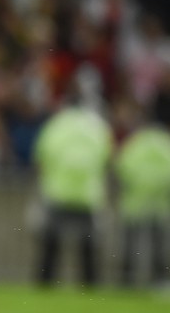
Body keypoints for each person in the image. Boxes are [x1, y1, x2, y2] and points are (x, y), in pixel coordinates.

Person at [31, 70, 113, 287]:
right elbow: (107, 158)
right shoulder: (97, 127)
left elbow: (41, 157)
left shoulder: (56, 125)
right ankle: (90, 289)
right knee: (88, 248)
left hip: (57, 192)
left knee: (51, 245)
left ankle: (44, 287)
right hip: (88, 195)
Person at [114, 120, 170, 288]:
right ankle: (160, 280)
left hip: (134, 203)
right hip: (159, 203)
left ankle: (127, 280)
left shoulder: (134, 144)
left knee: (131, 244)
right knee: (159, 244)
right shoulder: (165, 145)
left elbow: (122, 168)